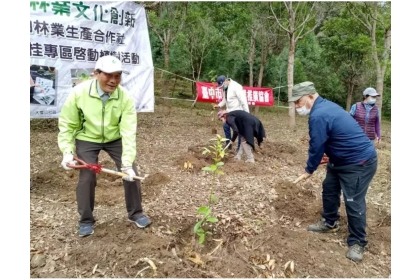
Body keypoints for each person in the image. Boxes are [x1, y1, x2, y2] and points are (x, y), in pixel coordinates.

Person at [57, 55, 151, 237]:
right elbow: (68, 124)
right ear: (96, 74)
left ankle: (135, 213)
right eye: (108, 75)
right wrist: (67, 152)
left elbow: (128, 132)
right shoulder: (79, 93)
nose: (113, 80)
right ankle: (85, 220)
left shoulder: (125, 98)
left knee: (131, 172)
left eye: (117, 75)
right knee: (87, 176)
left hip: (115, 138)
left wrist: (126, 162)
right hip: (88, 137)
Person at [290, 81, 377, 262]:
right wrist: (329, 153)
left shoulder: (319, 114)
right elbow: (330, 137)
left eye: (298, 101)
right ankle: (330, 223)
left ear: (311, 96)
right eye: (294, 103)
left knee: (353, 201)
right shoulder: (323, 108)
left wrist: (309, 169)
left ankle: (358, 242)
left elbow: (316, 144)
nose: (296, 106)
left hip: (359, 162)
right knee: (329, 188)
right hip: (339, 160)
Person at [213, 76, 249, 152]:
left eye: (223, 86)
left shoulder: (236, 87)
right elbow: (224, 100)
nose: (222, 87)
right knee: (226, 126)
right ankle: (228, 144)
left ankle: (239, 149)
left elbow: (243, 101)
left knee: (239, 131)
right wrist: (219, 105)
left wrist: (247, 114)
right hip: (230, 112)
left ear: (226, 81)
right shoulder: (225, 88)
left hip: (238, 112)